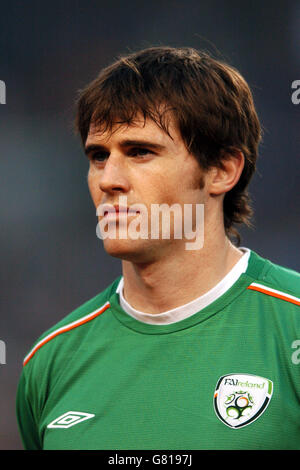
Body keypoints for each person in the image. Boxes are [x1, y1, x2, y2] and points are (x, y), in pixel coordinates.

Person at [16, 46, 300, 450]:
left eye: (140, 152)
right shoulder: (50, 360)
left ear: (222, 170)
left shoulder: (291, 326)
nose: (109, 180)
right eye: (98, 156)